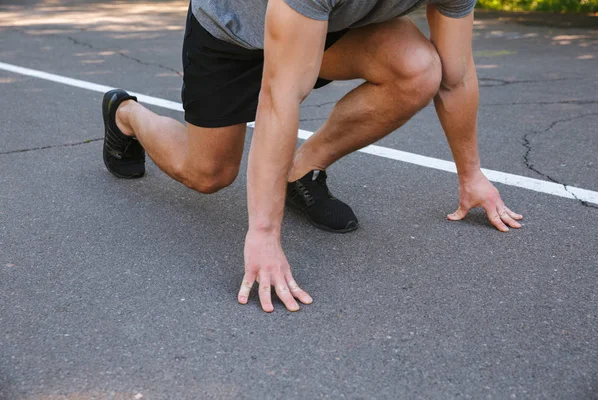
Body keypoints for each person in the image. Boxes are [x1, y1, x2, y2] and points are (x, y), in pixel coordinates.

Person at [101, 0, 523, 313]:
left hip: (323, 26)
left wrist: (471, 174)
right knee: (208, 172)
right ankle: (127, 114)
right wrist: (263, 233)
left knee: (421, 68)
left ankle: (301, 172)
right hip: (232, 33)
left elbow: (456, 74)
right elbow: (280, 96)